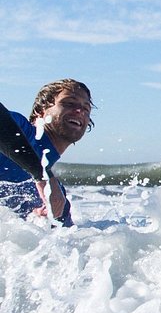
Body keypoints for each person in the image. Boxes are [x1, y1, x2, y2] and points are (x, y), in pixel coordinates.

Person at [0, 79, 95, 226]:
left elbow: (69, 241)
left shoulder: (56, 196)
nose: (79, 111)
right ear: (40, 112)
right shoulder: (19, 127)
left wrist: (37, 226)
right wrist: (42, 175)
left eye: (86, 108)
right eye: (69, 103)